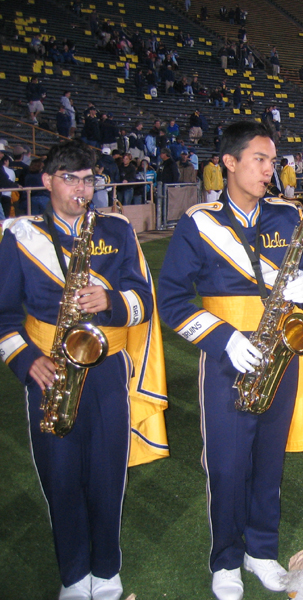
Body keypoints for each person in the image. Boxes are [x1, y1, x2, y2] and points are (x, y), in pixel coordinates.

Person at [157, 121, 303, 600]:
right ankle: (225, 559)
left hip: (281, 356)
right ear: (229, 163)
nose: (269, 170)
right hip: (227, 361)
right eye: (260, 159)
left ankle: (261, 552)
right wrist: (223, 339)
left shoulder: (286, 217)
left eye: (273, 161)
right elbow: (173, 300)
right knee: (225, 464)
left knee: (267, 463)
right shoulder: (199, 222)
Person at [0, 140, 167, 600]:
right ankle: (74, 576)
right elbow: (3, 316)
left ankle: (107, 571)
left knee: (108, 473)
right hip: (50, 370)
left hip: (108, 368)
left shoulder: (115, 228)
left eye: (88, 178)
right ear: (47, 181)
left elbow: (143, 300)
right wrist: (25, 358)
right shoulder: (20, 234)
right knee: (60, 475)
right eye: (69, 178)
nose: (81, 188)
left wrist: (111, 302)